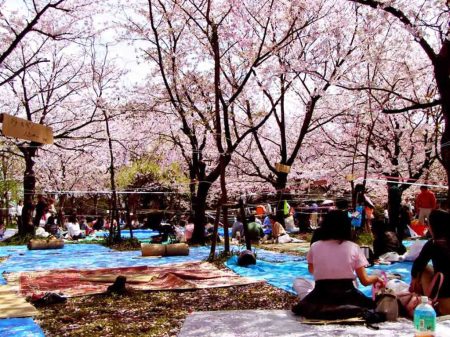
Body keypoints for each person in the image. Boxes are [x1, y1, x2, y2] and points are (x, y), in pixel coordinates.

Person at [292, 210, 384, 319]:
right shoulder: (353, 247)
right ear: (346, 226)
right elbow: (365, 281)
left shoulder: (315, 246)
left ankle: (324, 308)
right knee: (371, 278)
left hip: (321, 295)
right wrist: (377, 278)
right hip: (348, 296)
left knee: (299, 281)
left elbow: (312, 270)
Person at [410, 209, 450, 315]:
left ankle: (428, 301)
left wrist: (415, 278)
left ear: (433, 227)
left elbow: (418, 264)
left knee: (425, 269)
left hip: (445, 300)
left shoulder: (433, 244)